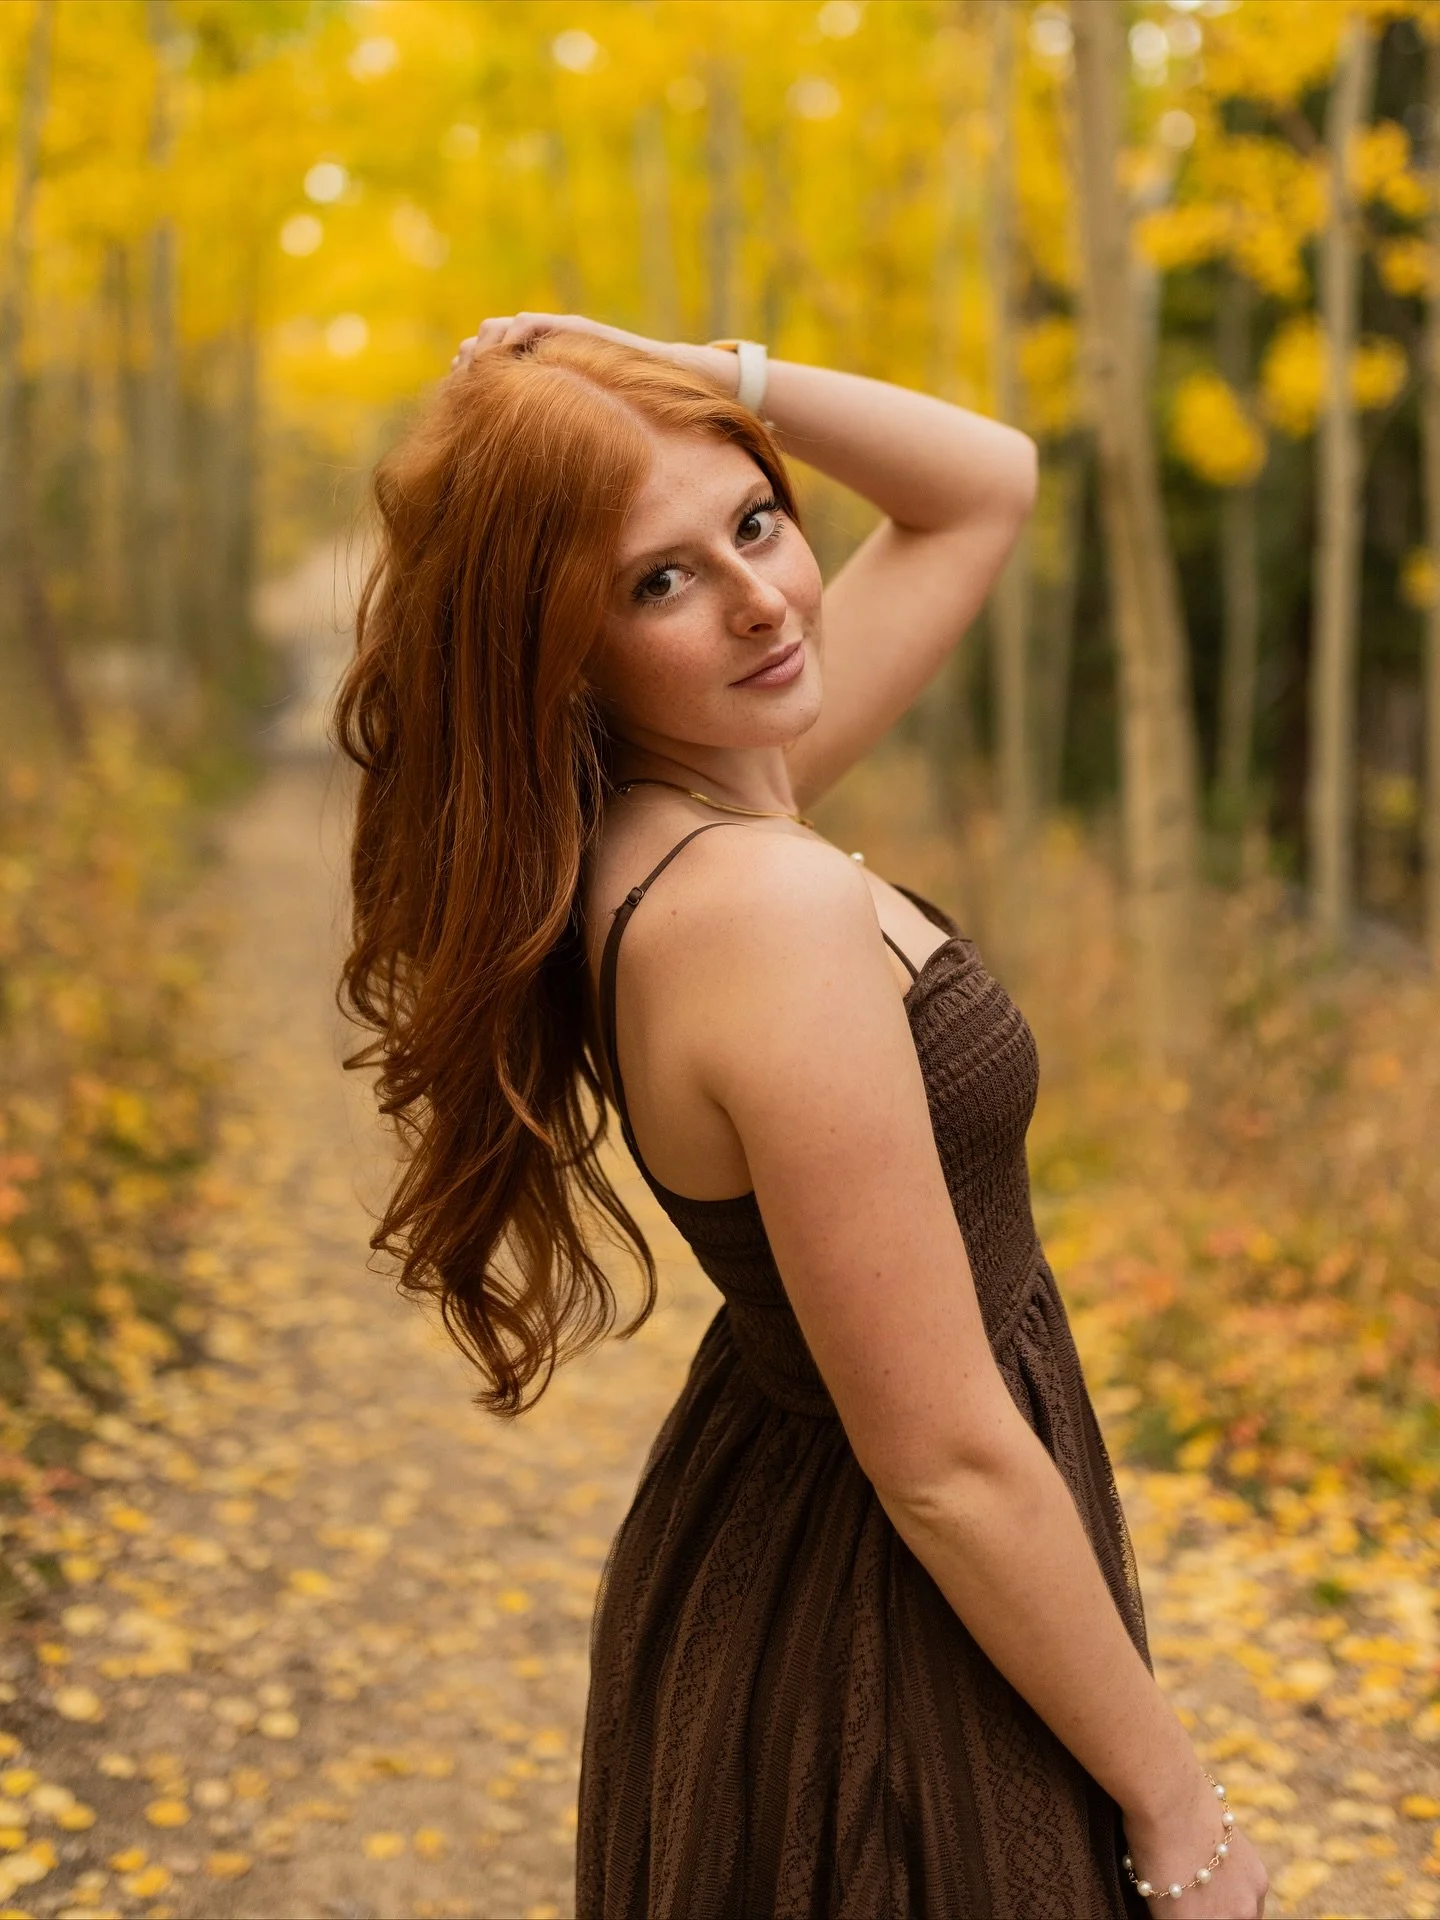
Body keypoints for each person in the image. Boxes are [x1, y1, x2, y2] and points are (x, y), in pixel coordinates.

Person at [332, 312, 1268, 1920]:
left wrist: (680, 371)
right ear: (565, 649)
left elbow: (984, 484)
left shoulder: (694, 799)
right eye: (659, 581)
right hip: (882, 1631)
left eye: (755, 521)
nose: (762, 596)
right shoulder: (756, 907)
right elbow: (948, 1466)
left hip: (799, 1536)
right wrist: (1181, 1812)